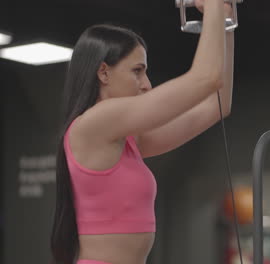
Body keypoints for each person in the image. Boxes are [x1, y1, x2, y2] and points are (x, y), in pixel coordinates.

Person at [50, 0, 234, 263]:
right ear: (103, 72)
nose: (146, 84)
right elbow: (206, 78)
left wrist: (226, 23)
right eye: (137, 71)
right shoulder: (94, 122)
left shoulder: (128, 140)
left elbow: (217, 105)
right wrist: (213, 8)